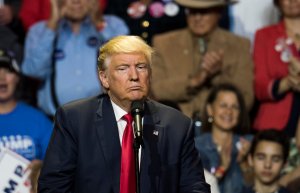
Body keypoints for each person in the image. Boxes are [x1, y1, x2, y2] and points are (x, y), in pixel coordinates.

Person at [38, 35, 210, 193]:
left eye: (141, 67)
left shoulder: (177, 125)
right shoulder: (75, 120)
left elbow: (195, 187)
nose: (134, 76)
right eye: (123, 68)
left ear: (149, 74)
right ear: (104, 78)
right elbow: (52, 188)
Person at [21, 0, 129, 116]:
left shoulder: (113, 25)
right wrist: (52, 25)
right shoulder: (40, 30)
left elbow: (126, 64)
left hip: (104, 119)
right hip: (57, 122)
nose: (76, 1)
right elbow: (34, 71)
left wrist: (98, 23)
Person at [151, 0, 254, 118]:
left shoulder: (239, 46)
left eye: (204, 12)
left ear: (219, 12)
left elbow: (246, 99)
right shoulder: (164, 43)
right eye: (192, 12)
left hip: (219, 129)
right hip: (177, 127)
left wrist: (218, 76)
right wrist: (194, 81)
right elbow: (157, 91)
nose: (197, 18)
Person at [0, 48, 53, 193]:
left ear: (17, 77)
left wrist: (42, 168)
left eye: (8, 71)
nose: (1, 78)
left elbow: (60, 164)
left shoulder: (38, 119)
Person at [253, 0, 300, 137]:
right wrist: (287, 82)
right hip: (276, 125)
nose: (292, 1)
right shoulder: (265, 36)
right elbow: (259, 87)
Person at [195, 83, 252, 193]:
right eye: (223, 105)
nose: (229, 112)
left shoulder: (249, 144)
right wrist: (222, 168)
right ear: (210, 109)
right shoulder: (196, 147)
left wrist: (244, 164)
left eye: (235, 107)